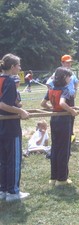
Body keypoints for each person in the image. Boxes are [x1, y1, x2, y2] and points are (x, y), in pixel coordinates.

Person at [0, 53, 30, 202]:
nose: (20, 68)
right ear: (12, 67)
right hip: (10, 127)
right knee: (13, 160)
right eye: (18, 65)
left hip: (1, 125)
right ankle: (13, 192)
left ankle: (3, 189)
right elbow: (3, 104)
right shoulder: (10, 81)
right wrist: (21, 111)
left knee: (3, 160)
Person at [41, 67, 78, 186]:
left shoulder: (51, 89)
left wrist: (52, 108)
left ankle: (53, 177)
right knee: (64, 149)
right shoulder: (65, 89)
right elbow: (62, 103)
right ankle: (62, 179)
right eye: (68, 76)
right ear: (64, 78)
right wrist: (71, 110)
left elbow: (43, 104)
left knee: (55, 147)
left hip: (54, 119)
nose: (70, 78)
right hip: (63, 120)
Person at [46, 55, 79, 143]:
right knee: (64, 116)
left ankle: (70, 136)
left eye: (70, 62)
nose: (69, 64)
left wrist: (75, 91)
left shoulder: (71, 73)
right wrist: (53, 92)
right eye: (67, 62)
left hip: (70, 97)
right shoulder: (58, 73)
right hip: (62, 96)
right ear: (62, 63)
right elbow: (49, 83)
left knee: (71, 117)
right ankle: (64, 138)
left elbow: (76, 82)